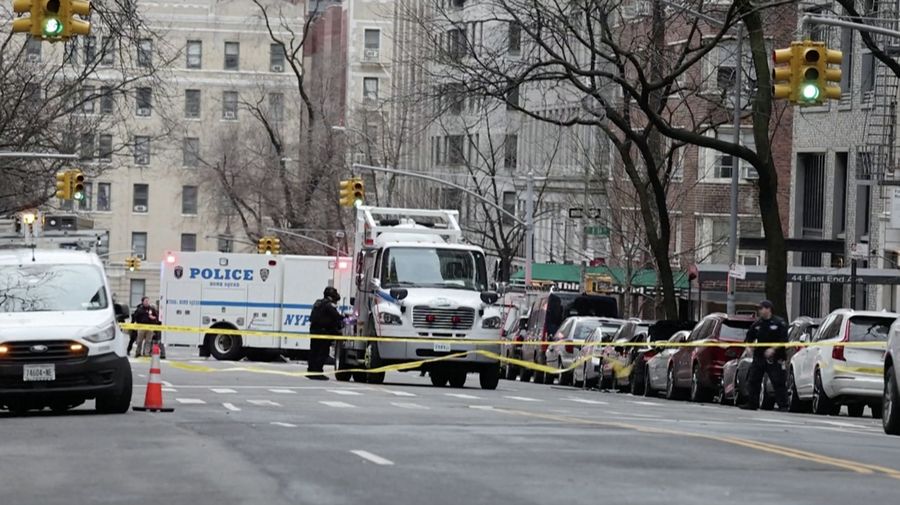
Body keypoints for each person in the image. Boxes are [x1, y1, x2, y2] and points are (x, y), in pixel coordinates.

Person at [739, 300, 789, 411]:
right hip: (759, 356)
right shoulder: (757, 324)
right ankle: (752, 403)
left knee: (778, 381)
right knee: (753, 380)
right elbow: (749, 338)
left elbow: (784, 340)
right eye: (759, 309)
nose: (760, 311)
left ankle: (783, 405)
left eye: (762, 308)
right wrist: (748, 347)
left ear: (768, 309)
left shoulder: (779, 323)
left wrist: (773, 349)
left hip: (775, 357)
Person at [307, 287, 344, 380]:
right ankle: (317, 372)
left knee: (314, 352)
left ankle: (311, 371)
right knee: (322, 353)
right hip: (323, 332)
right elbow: (337, 317)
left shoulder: (318, 303)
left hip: (314, 331)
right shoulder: (328, 306)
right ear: (330, 297)